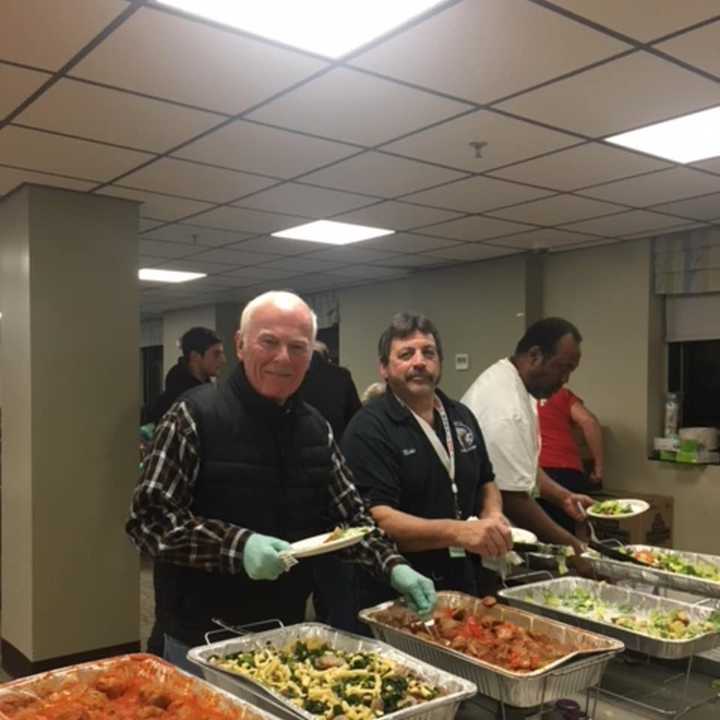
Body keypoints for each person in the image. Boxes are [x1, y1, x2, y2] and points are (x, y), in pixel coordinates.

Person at [126, 291, 436, 670]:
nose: (283, 358)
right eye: (269, 342)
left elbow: (353, 522)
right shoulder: (193, 415)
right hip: (197, 637)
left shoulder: (316, 428)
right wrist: (239, 547)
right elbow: (149, 521)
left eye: (297, 347)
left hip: (284, 632)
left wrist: (393, 566)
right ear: (241, 345)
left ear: (311, 357)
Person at [342, 313, 513, 616]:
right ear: (384, 368)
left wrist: (494, 516)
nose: (419, 362)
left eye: (428, 353)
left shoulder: (461, 416)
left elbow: (486, 480)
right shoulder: (368, 428)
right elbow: (378, 518)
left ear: (440, 363)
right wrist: (458, 532)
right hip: (398, 586)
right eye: (406, 354)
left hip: (465, 577)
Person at [461, 318, 593, 560]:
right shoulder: (505, 407)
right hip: (482, 537)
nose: (565, 379)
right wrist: (574, 549)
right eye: (563, 368)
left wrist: (563, 497)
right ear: (535, 356)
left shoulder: (518, 385)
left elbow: (523, 468)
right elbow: (513, 499)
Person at [538, 388, 604, 533]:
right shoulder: (562, 394)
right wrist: (598, 468)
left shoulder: (516, 396)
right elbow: (589, 422)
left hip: (534, 471)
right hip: (566, 469)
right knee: (569, 528)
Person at [147, 326, 226, 424]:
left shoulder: (209, 392)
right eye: (216, 354)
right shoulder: (175, 402)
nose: (223, 360)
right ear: (195, 356)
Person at [300, 341, 361, 441]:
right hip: (335, 445)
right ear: (328, 359)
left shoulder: (295, 374)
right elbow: (356, 420)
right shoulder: (342, 376)